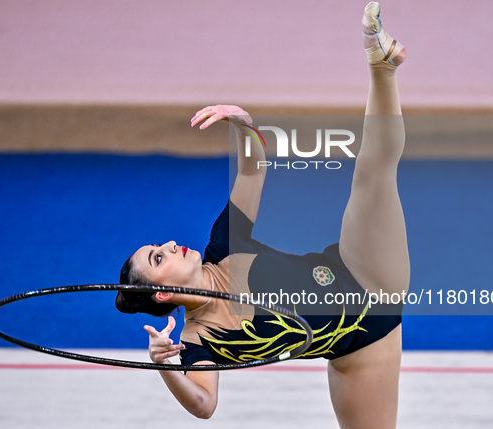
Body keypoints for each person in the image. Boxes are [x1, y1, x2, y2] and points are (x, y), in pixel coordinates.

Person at [116, 2, 409, 427]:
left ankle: (381, 67)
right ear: (162, 295)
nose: (167, 246)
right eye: (157, 259)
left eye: (157, 247)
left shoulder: (224, 244)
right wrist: (165, 365)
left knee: (373, 172)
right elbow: (204, 405)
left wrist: (244, 126)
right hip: (360, 354)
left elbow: (253, 168)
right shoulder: (198, 342)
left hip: (364, 271)